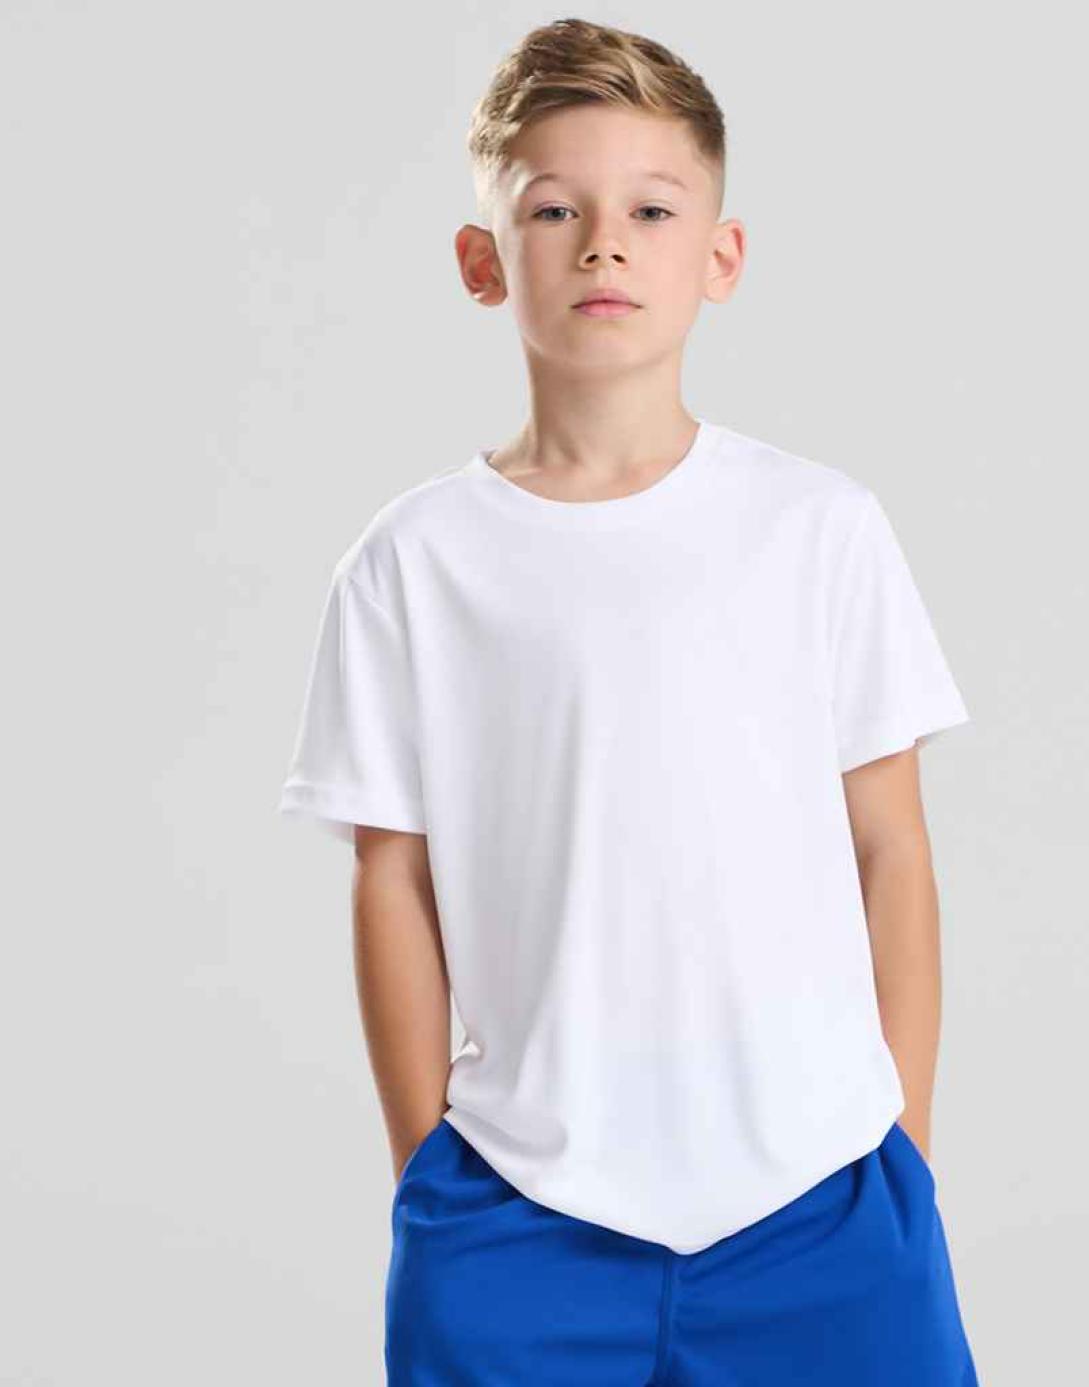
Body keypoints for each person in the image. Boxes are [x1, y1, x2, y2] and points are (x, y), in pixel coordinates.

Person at [278, 17, 980, 1385]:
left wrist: (902, 1142)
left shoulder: (817, 528)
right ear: (483, 260)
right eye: (555, 210)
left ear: (721, 255)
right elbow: (391, 878)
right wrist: (427, 1173)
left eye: (651, 210)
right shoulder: (415, 562)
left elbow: (890, 843)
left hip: (824, 1196)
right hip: (518, 1211)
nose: (604, 245)